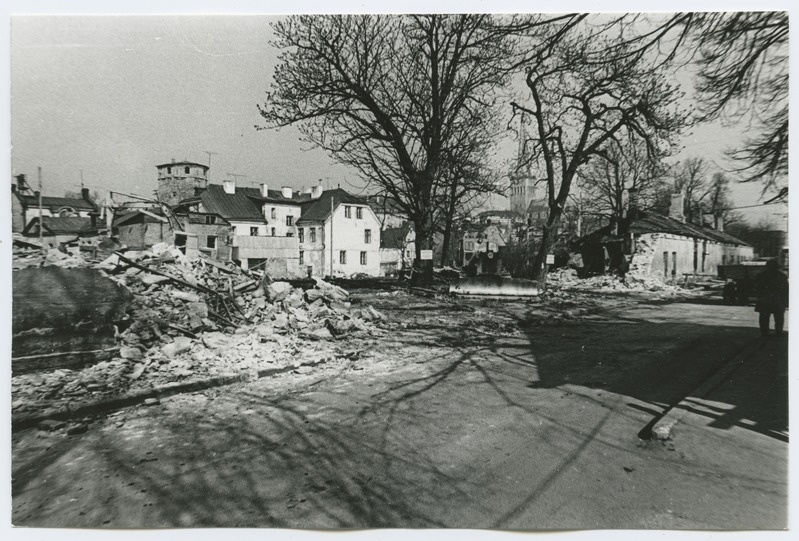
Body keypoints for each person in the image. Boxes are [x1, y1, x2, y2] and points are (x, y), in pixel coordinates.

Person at [754, 259, 789, 336]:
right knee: (779, 317)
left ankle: (764, 332)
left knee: (764, 317)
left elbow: (757, 288)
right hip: (777, 299)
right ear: (777, 267)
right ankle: (778, 332)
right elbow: (786, 290)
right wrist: (786, 302)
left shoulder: (761, 276)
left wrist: (759, 296)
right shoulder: (782, 276)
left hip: (765, 299)